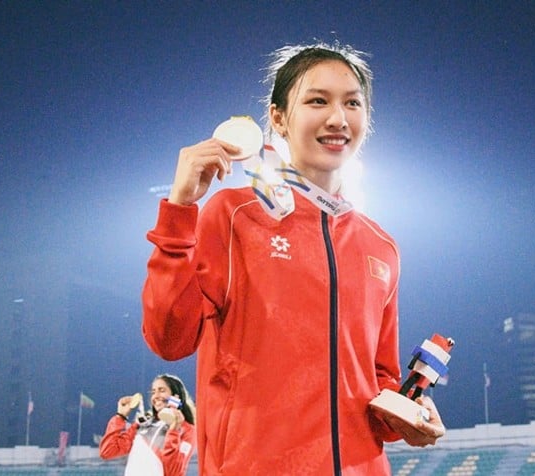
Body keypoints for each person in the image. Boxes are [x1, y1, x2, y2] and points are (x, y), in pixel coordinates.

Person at [142, 41, 446, 475]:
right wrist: (179, 210)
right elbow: (169, 339)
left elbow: (377, 382)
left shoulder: (380, 246)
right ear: (278, 118)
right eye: (317, 101)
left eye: (352, 103)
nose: (338, 118)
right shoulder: (234, 215)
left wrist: (408, 414)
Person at [99, 374, 196, 476]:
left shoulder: (186, 429)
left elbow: (173, 472)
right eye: (153, 392)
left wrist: (173, 431)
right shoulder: (143, 424)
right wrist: (120, 416)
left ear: (176, 397)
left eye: (162, 390)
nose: (156, 396)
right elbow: (107, 451)